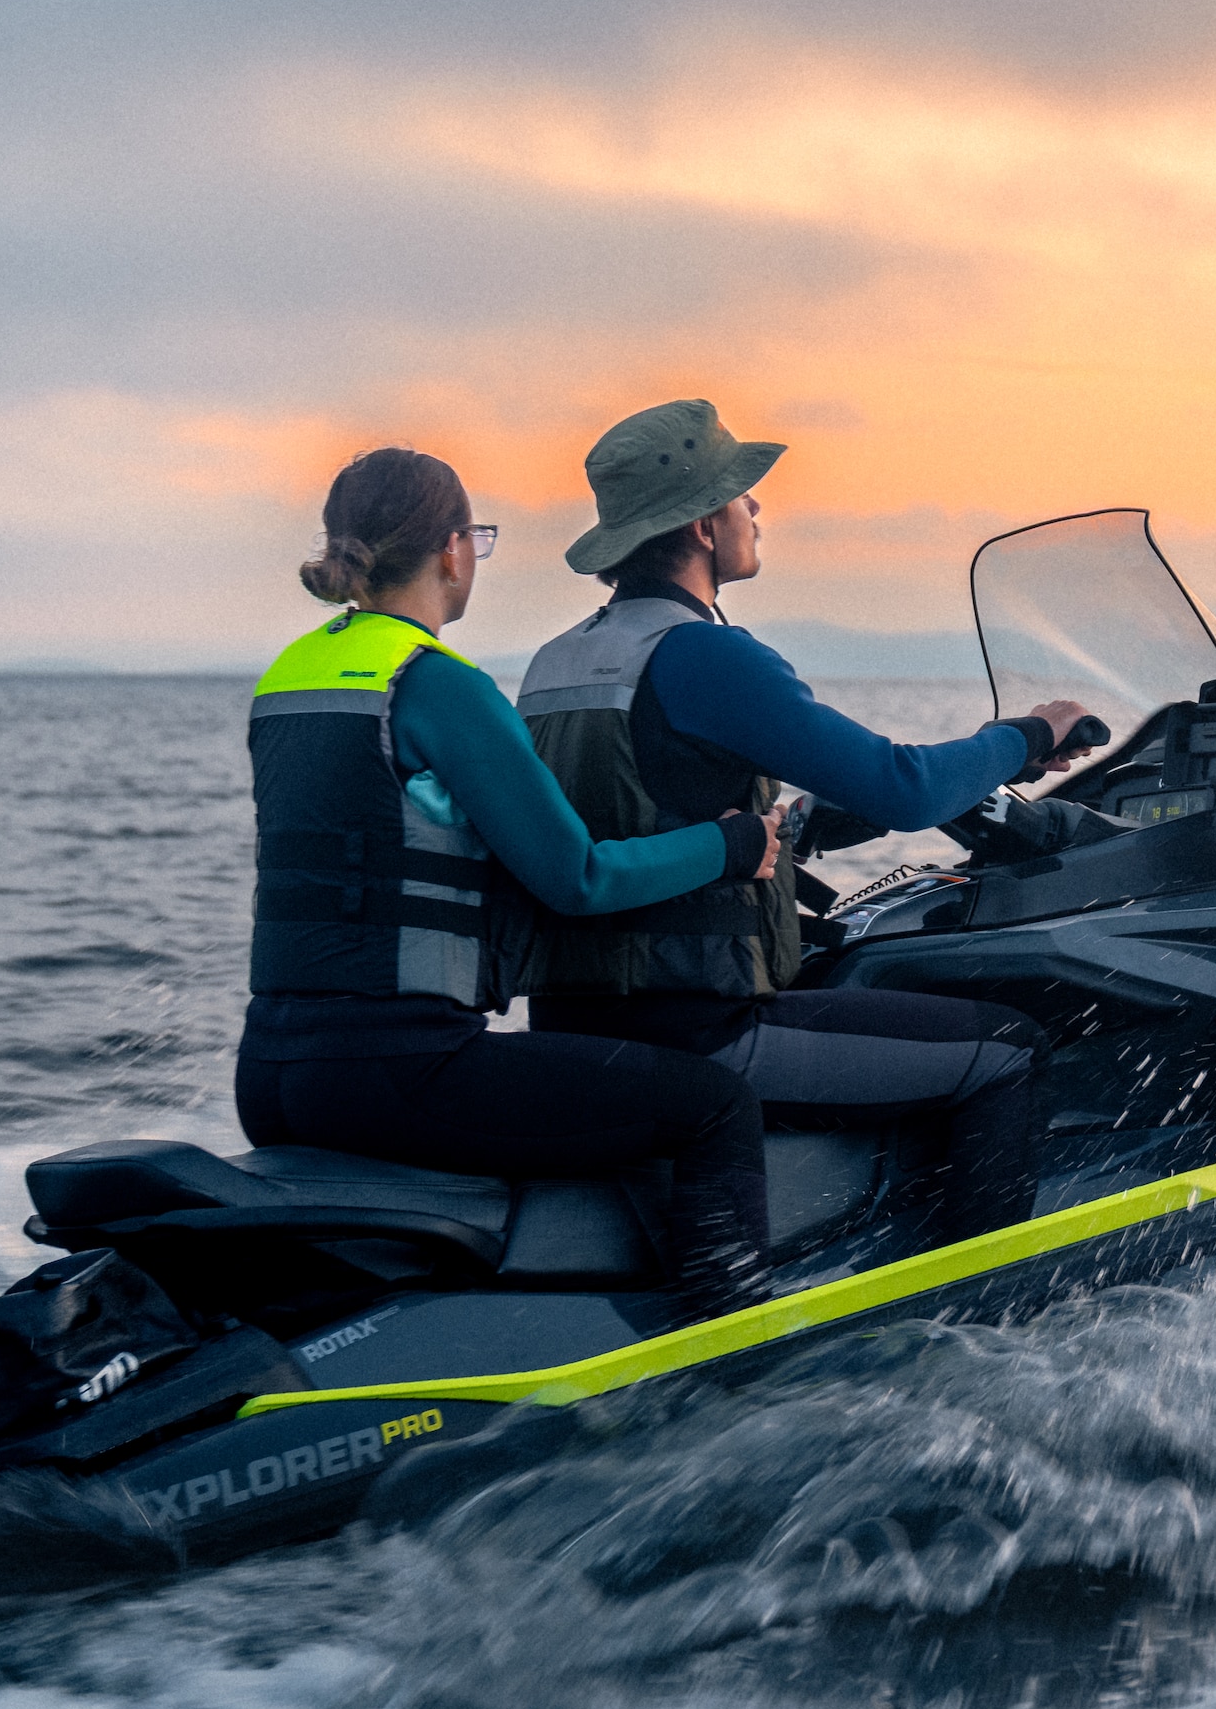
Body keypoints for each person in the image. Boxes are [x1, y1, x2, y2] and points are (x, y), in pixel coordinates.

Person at [516, 397, 1091, 1253]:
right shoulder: (708, 656)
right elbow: (900, 788)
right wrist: (1026, 736)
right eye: (743, 495)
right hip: (696, 1033)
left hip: (576, 1027)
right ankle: (988, 1316)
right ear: (706, 526)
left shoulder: (556, 664)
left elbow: (645, 810)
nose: (757, 509)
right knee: (1007, 1050)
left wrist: (802, 829)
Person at [237, 445, 789, 1324]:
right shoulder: (440, 688)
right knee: (713, 1106)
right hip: (401, 1069)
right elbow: (578, 877)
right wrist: (728, 846)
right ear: (454, 550)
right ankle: (740, 1344)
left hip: (269, 1073)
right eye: (477, 542)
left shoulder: (288, 678)